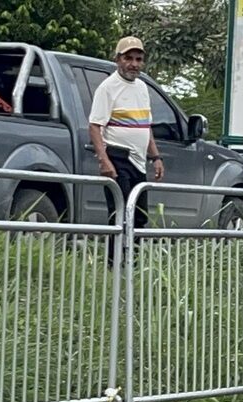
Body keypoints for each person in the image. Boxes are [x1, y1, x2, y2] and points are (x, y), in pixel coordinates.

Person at [89, 36, 164, 261]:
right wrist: (104, 160)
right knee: (119, 214)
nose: (134, 64)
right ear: (118, 60)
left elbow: (145, 126)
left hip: (139, 161)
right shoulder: (108, 87)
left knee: (139, 217)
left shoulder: (142, 87)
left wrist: (156, 157)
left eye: (138, 59)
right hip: (118, 156)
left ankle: (133, 263)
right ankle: (115, 264)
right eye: (128, 58)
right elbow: (94, 125)